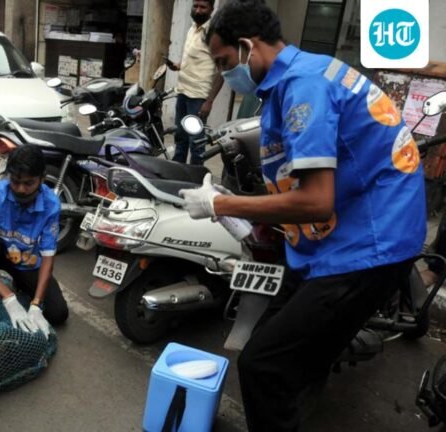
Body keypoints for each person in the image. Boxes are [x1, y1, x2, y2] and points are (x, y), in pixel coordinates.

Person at [177, 1, 426, 431]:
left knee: (262, 366)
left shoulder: (303, 85)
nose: (222, 74)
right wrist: (239, 201)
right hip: (336, 235)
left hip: (370, 245)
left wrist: (222, 205)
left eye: (223, 62)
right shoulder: (299, 75)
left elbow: (314, 201)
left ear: (246, 46)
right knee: (278, 347)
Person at [0, 145, 68, 335]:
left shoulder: (51, 205)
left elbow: (48, 257)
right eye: (15, 182)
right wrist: (8, 298)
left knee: (58, 314)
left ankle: (22, 286)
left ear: (42, 179)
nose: (20, 189)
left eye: (28, 183)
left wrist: (36, 304)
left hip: (26, 260)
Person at [166, 0, 223, 165]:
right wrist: (177, 65)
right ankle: (178, 169)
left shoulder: (214, 35)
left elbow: (222, 72)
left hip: (198, 97)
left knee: (196, 141)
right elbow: (194, 58)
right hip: (183, 91)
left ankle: (197, 177)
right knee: (180, 135)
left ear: (211, 9)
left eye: (203, 7)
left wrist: (209, 101)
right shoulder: (192, 28)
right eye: (195, 6)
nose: (198, 10)